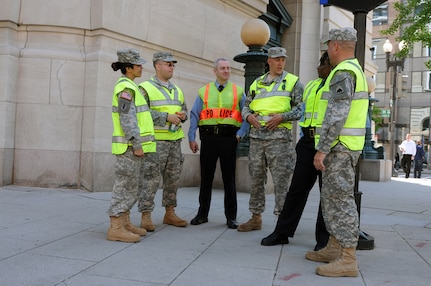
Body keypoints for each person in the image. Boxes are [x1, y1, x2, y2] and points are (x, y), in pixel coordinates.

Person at [304, 27, 369, 277]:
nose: (327, 52)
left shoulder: (343, 72)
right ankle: (334, 247)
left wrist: (322, 149)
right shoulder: (354, 70)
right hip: (342, 147)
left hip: (339, 148)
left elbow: (336, 116)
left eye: (327, 47)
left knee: (341, 201)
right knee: (332, 199)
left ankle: (348, 258)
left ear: (334, 46)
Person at [261, 52, 331, 249]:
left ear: (332, 65)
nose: (318, 68)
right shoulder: (310, 85)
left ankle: (323, 240)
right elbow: (301, 110)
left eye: (322, 64)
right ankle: (282, 232)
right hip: (307, 143)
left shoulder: (336, 86)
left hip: (326, 145)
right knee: (295, 191)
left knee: (325, 194)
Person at [238, 47, 303, 232]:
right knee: (256, 179)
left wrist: (282, 117)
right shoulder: (257, 83)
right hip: (257, 139)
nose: (280, 63)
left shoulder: (293, 82)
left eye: (283, 59)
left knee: (281, 181)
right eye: (276, 59)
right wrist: (249, 117)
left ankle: (282, 222)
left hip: (279, 140)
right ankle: (255, 217)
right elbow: (246, 107)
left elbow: (301, 110)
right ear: (269, 61)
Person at [188, 58, 249, 229]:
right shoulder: (204, 91)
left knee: (229, 179)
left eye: (228, 68)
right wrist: (192, 137)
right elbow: (194, 114)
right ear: (214, 71)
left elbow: (246, 114)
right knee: (206, 178)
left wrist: (240, 135)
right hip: (208, 139)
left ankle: (231, 217)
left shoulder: (238, 91)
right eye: (222, 68)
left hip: (229, 139)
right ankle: (202, 214)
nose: (226, 71)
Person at [107, 48, 156, 243]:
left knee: (131, 186)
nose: (142, 67)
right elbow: (127, 118)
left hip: (132, 147)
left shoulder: (131, 86)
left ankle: (125, 223)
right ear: (128, 68)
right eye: (138, 65)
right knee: (124, 186)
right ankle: (115, 227)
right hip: (128, 147)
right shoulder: (125, 88)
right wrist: (136, 143)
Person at [138, 52, 188, 230]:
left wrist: (182, 116)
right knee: (150, 179)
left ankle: (170, 213)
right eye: (168, 64)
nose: (172, 67)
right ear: (157, 66)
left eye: (173, 64)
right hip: (155, 143)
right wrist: (166, 117)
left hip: (175, 142)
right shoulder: (144, 88)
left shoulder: (177, 90)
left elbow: (184, 111)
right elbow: (141, 113)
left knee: (173, 179)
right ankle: (146, 215)